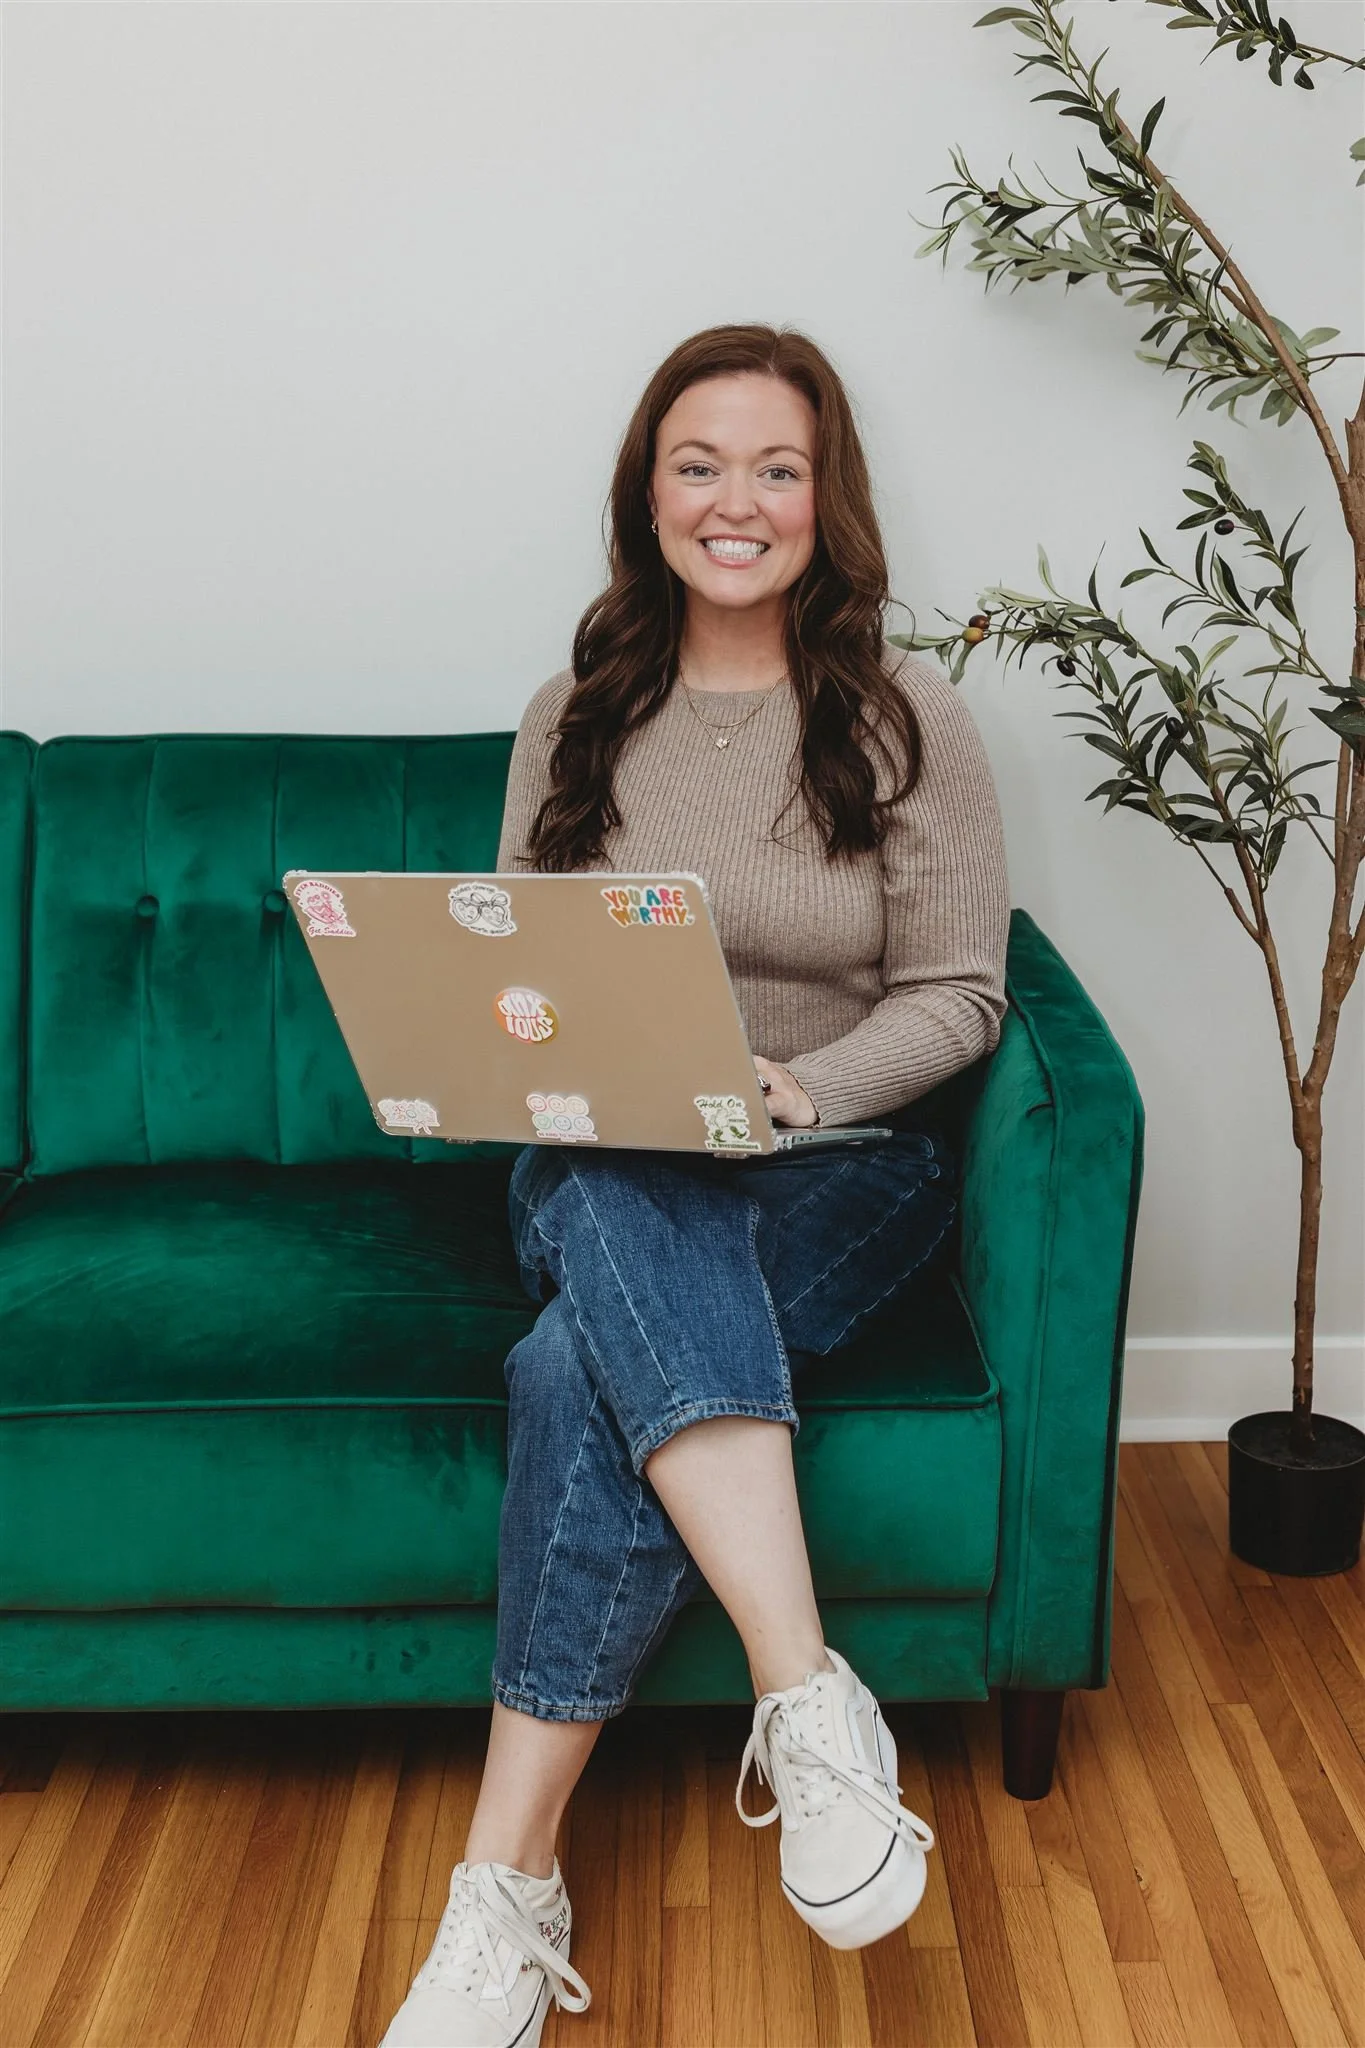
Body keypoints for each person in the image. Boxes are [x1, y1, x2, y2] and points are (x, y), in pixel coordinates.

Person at [379, 323, 1010, 2048]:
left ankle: (504, 1892)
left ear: (827, 501)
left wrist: (794, 1084)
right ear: (648, 496)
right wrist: (574, 1071)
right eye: (700, 463)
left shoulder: (905, 717)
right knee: (613, 1170)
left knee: (560, 1369)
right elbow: (513, 978)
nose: (739, 502)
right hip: (598, 1160)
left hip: (839, 1166)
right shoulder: (570, 717)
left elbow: (961, 994)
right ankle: (809, 1696)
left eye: (778, 468)